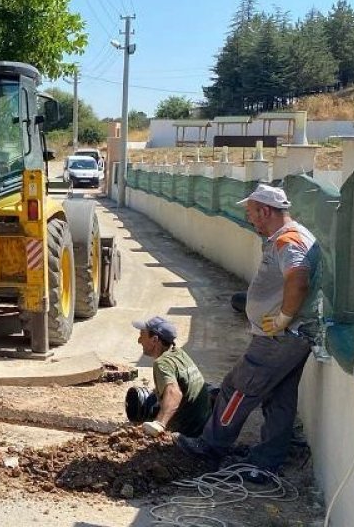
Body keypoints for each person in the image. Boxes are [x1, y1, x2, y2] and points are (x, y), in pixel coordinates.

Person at [177, 184, 318, 481]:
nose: (249, 219)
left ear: (265, 211)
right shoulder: (291, 236)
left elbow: (298, 280)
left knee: (238, 388)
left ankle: (211, 446)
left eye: (252, 213)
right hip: (293, 337)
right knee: (279, 398)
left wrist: (282, 318)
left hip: (279, 339)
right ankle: (266, 463)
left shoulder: (289, 240)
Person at [130, 316, 212, 438]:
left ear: (155, 340)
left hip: (190, 433)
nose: (139, 340)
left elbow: (174, 393)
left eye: (142, 335)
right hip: (206, 424)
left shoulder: (161, 363)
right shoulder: (179, 353)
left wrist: (159, 423)